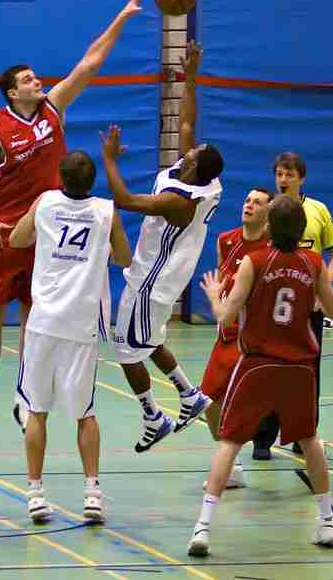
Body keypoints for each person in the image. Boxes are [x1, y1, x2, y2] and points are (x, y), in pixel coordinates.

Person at [0, 0, 147, 437]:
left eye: (34, 76)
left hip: (48, 228)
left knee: (34, 314)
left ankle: (24, 394)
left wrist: (122, 17)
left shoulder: (53, 108)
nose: (36, 81)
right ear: (11, 92)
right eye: (26, 79)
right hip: (7, 230)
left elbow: (89, 63)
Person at [190, 195, 333, 557]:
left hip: (258, 363)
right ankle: (326, 521)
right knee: (309, 440)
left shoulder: (254, 261)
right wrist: (314, 299)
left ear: (271, 227)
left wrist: (214, 296)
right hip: (300, 367)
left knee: (229, 442)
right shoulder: (314, 262)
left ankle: (203, 528)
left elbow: (226, 318)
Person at [101, 40, 224, 453]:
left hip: (152, 281)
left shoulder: (179, 201)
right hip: (165, 279)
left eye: (193, 153)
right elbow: (186, 125)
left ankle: (154, 415)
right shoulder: (200, 177)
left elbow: (127, 201)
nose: (189, 147)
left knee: (126, 348)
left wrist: (110, 161)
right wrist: (189, 78)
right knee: (147, 341)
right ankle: (190, 397)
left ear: (193, 165)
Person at [9, 151, 132, 524]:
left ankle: (35, 494)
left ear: (60, 178)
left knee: (36, 409)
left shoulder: (45, 202)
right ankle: (92, 493)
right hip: (81, 324)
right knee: (85, 413)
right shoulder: (106, 211)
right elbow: (124, 259)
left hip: (44, 321)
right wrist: (106, 247)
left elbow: (16, 239)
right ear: (92, 180)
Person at [251, 152, 333, 460]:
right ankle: (263, 438)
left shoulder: (318, 210)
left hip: (307, 307)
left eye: (289, 174)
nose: (283, 179)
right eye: (279, 173)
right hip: (272, 304)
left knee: (307, 372)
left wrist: (322, 289)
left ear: (301, 178)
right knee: (267, 370)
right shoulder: (265, 208)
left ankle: (302, 435)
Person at [198, 187, 273, 489]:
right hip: (224, 336)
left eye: (257, 203)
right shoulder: (226, 240)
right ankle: (233, 462)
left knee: (237, 403)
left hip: (249, 340)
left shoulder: (271, 249)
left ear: (268, 212)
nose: (250, 206)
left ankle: (232, 464)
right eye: (247, 201)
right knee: (206, 402)